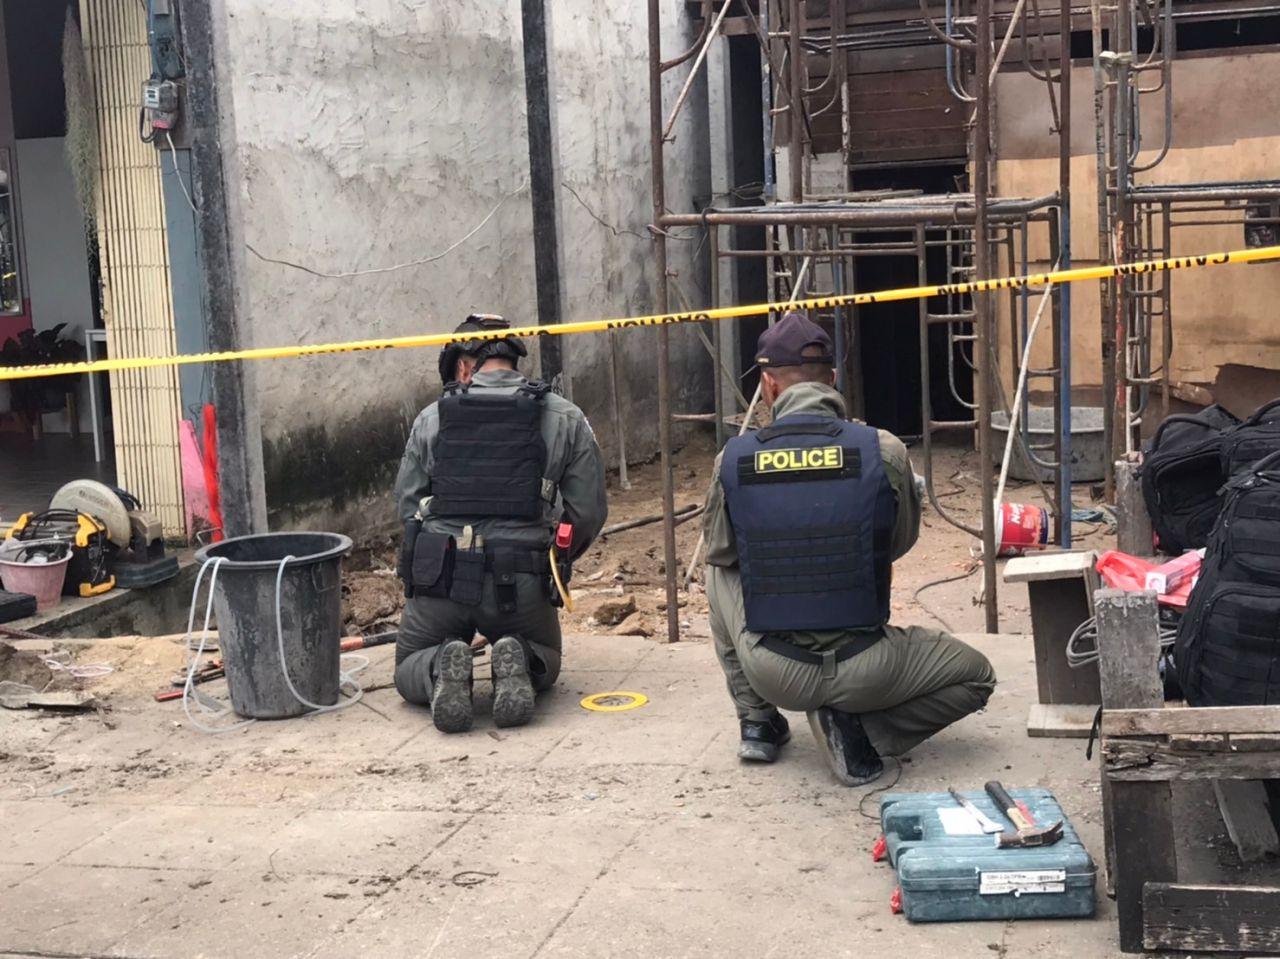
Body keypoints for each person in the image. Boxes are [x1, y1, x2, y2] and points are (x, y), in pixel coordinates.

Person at [701, 312, 996, 785]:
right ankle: (861, 732)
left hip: (774, 669)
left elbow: (721, 551)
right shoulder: (885, 450)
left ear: (769, 386)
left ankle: (758, 722)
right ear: (833, 379)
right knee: (977, 675)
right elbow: (897, 543)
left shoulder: (733, 459)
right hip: (869, 667)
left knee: (716, 571)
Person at [394, 315, 607, 733]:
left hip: (441, 580)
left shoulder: (431, 417)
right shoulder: (564, 415)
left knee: (407, 666)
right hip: (521, 581)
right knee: (547, 656)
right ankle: (520, 656)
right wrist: (556, 560)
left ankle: (439, 665)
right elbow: (588, 511)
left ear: (462, 367)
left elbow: (408, 506)